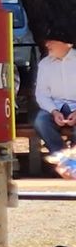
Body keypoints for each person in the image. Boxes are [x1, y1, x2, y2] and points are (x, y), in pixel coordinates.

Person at [32, 32, 76, 166]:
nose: (47, 44)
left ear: (67, 44)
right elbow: (41, 94)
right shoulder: (45, 64)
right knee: (40, 121)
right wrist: (54, 111)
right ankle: (63, 159)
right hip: (55, 106)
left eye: (52, 41)